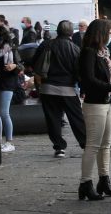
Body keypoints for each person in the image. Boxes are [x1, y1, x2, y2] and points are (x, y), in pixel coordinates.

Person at [77, 18, 111, 201]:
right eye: (109, 33)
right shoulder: (89, 53)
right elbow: (89, 80)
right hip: (95, 103)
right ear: (101, 33)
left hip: (106, 102)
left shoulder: (104, 53)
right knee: (93, 144)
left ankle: (104, 180)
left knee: (106, 143)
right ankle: (85, 183)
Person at [35, 20, 87, 159]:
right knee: (76, 118)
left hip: (47, 88)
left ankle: (59, 147)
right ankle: (85, 144)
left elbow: (34, 62)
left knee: (53, 119)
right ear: (71, 33)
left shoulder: (46, 45)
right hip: (68, 89)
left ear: (57, 31)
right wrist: (82, 88)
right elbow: (79, 71)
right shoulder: (75, 49)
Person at [0, 25, 21, 153]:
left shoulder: (11, 49)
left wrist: (14, 66)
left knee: (4, 112)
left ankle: (9, 141)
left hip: (8, 82)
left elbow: (20, 65)